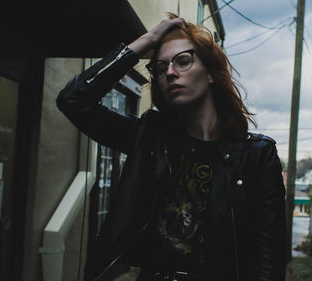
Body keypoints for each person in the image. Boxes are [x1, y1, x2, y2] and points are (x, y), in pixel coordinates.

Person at [57, 13, 286, 281]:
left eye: (183, 61)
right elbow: (73, 101)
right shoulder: (149, 138)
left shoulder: (256, 155)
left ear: (211, 73)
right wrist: (147, 40)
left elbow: (270, 256)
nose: (169, 72)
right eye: (160, 66)